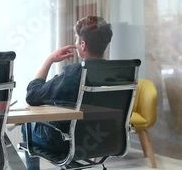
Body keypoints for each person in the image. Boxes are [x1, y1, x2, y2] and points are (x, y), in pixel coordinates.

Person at [21, 16, 113, 170]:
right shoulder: (117, 72)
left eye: (77, 39)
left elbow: (32, 95)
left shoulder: (74, 73)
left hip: (67, 142)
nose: (75, 44)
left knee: (26, 125)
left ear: (83, 45)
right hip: (105, 139)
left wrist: (49, 59)